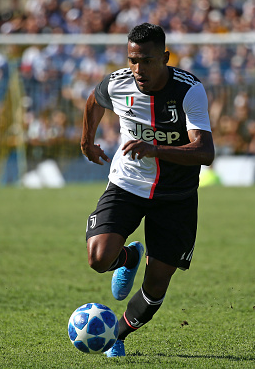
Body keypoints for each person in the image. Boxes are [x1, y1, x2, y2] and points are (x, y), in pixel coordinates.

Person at [80, 23, 214, 357]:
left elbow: (205, 153)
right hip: (127, 183)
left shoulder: (189, 90)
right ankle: (128, 256)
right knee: (98, 258)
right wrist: (86, 140)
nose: (138, 69)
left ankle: (117, 335)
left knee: (155, 288)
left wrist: (157, 150)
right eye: (133, 60)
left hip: (176, 196)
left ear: (165, 58)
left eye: (148, 61)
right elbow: (94, 102)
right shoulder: (118, 82)